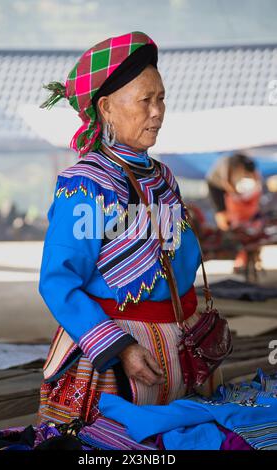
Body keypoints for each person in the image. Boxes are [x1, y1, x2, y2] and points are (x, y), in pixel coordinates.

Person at [36, 31, 222, 427]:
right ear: (105, 108)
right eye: (144, 101)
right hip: (117, 364)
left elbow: (184, 266)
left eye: (161, 99)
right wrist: (121, 349)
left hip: (179, 352)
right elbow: (57, 282)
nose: (157, 112)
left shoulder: (163, 178)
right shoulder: (84, 185)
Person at [206, 153, 263, 272]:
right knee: (223, 215)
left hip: (232, 189)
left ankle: (242, 252)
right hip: (215, 185)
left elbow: (255, 179)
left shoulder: (247, 162)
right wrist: (238, 195)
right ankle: (226, 237)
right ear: (241, 168)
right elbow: (227, 183)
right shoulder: (227, 164)